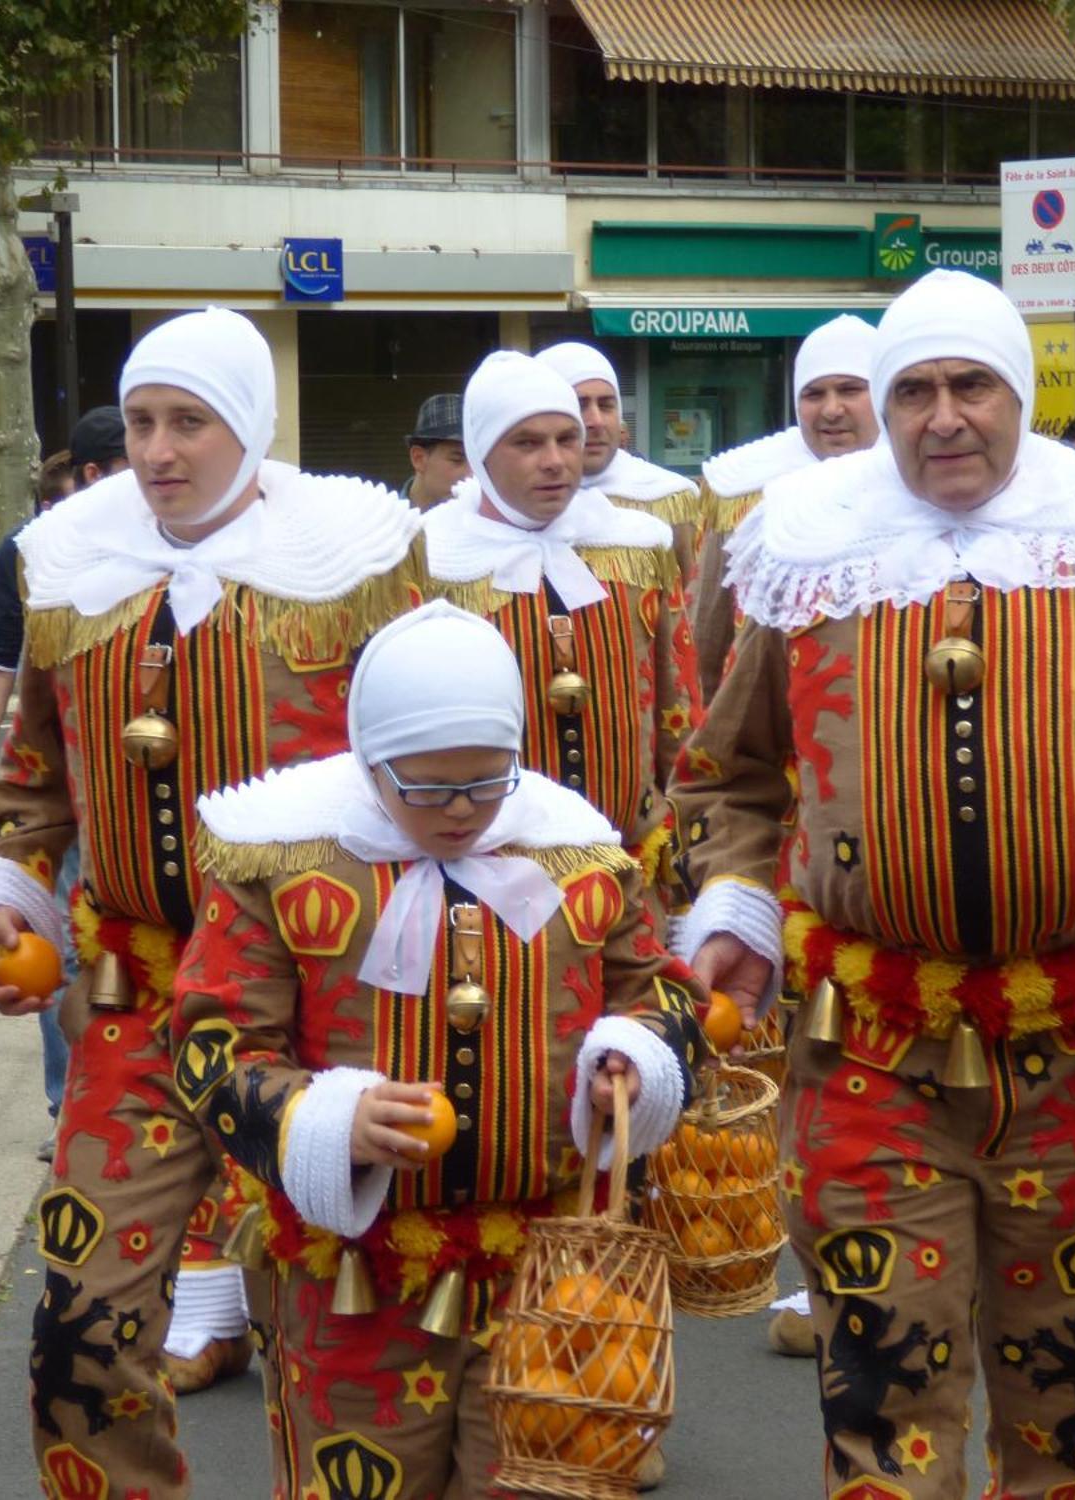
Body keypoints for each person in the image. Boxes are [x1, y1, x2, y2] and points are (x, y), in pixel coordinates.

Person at [673, 270, 1075, 1499]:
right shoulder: (805, 550)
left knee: (1069, 1406)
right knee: (879, 1398)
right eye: (913, 393)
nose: (941, 418)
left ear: (1019, 398)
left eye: (969, 387)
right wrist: (734, 902)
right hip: (863, 1048)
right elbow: (722, 774)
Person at [0, 308, 425, 1493]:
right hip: (136, 1004)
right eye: (140, 423)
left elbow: (428, 762)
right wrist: (10, 891)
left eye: (189, 423)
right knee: (80, 1321)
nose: (158, 452)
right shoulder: (68, 562)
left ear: (250, 429)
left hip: (316, 1001)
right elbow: (32, 778)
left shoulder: (358, 557)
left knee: (330, 1327)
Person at [172, 600, 707, 1498]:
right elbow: (212, 1044)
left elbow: (659, 990)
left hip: (546, 1266)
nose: (461, 812)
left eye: (486, 782)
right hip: (354, 1272)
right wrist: (324, 1118)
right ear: (369, 759)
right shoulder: (282, 861)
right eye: (425, 788)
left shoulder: (574, 852)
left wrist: (637, 1053)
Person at [0, 411, 130, 1168]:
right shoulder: (32, 553)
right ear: (92, 477)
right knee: (67, 949)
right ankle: (69, 1103)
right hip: (76, 790)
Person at [422, 351, 701, 905]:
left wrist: (692, 839)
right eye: (526, 443)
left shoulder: (635, 546)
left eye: (565, 439)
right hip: (486, 876)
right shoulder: (427, 560)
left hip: (632, 865)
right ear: (479, 454)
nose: (554, 461)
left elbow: (678, 707)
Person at [692, 315, 879, 703]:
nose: (831, 409)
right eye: (814, 394)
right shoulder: (743, 490)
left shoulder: (921, 486)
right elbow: (708, 631)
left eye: (850, 390)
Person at [535, 340, 703, 588]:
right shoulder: (507, 506)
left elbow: (696, 605)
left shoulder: (670, 498)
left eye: (606, 405)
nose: (596, 421)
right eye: (580, 405)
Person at [402, 393, 470, 510]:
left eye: (477, 464)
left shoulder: (486, 524)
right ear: (418, 459)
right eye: (457, 460)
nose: (470, 475)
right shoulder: (377, 521)